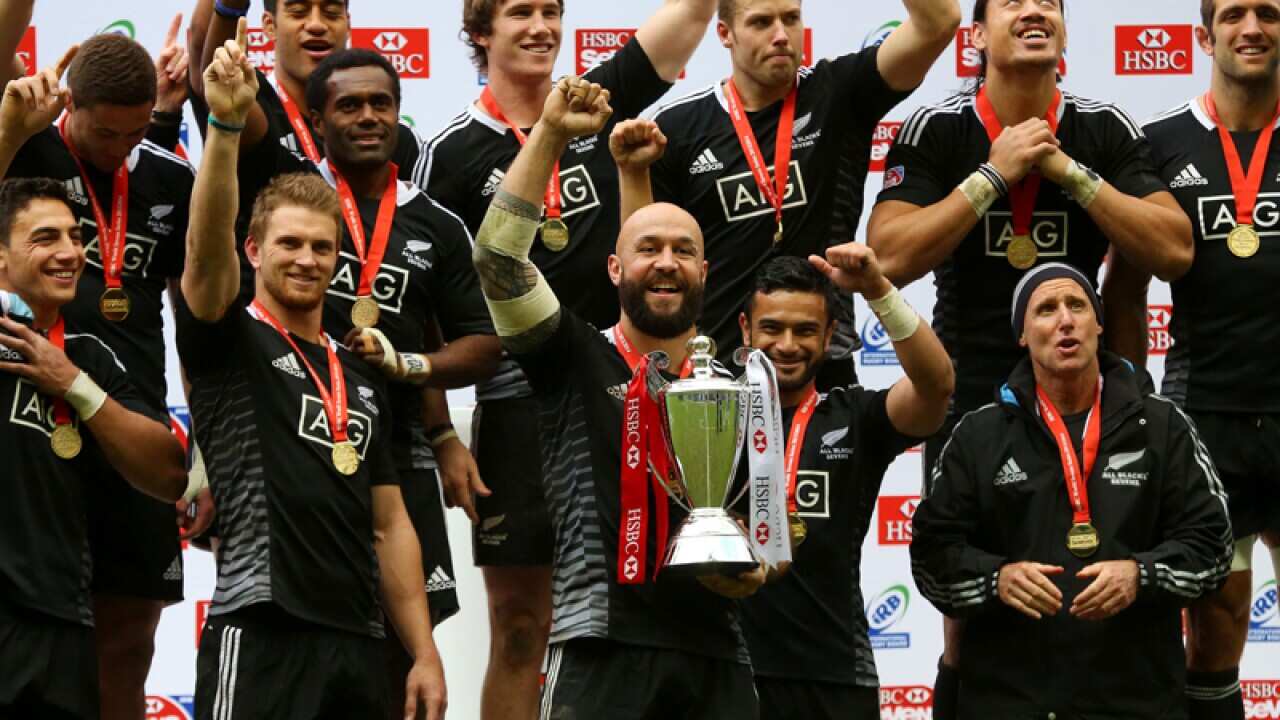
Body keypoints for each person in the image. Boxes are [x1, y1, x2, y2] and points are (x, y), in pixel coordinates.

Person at [867, 0, 1194, 712]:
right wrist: (992, 175)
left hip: (1085, 386)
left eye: (1050, 2)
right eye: (1014, 1)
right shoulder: (940, 126)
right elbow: (887, 255)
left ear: (1064, 32)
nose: (1036, 10)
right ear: (977, 35)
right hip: (971, 389)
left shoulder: (1102, 126)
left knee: (1100, 575)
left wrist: (1071, 173)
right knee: (970, 605)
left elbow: (1173, 248)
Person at [417, 2, 717, 716]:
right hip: (518, 401)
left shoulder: (597, 105)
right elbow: (424, 309)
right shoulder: (452, 150)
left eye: (552, 11)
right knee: (521, 627)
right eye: (520, 12)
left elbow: (687, 23)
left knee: (628, 616)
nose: (541, 27)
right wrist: (439, 433)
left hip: (618, 395)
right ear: (480, 33)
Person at [474, 75, 765, 719]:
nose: (665, 263)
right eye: (648, 250)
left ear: (705, 273)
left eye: (683, 251)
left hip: (716, 654)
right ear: (614, 270)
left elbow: (760, 534)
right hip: (600, 647)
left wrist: (747, 570)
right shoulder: (571, 356)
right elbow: (496, 258)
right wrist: (549, 132)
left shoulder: (733, 384)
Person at [180, 26, 445, 720]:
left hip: (358, 638)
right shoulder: (228, 339)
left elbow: (390, 524)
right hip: (260, 624)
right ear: (255, 250)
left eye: (321, 247)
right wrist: (226, 126)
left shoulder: (358, 367)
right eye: (288, 244)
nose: (306, 259)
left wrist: (422, 650)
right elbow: (205, 259)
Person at [910, 263, 1233, 720]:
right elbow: (930, 556)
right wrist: (995, 578)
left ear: (1098, 323)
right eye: (1045, 309)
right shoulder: (978, 435)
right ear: (1021, 334)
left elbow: (1214, 549)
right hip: (1009, 704)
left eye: (1077, 305)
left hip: (1136, 704)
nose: (1065, 320)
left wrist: (1140, 574)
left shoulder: (1162, 426)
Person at [0, 35, 201, 719]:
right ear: (71, 104)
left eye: (136, 129)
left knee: (127, 637)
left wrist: (200, 449)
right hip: (28, 393)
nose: (120, 146)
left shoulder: (171, 179)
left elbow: (197, 318)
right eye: (104, 131)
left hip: (127, 409)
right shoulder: (29, 150)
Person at [303, 46, 502, 715]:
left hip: (402, 452)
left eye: (380, 103)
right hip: (301, 447)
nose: (367, 117)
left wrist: (413, 370)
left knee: (405, 649)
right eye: (349, 105)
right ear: (318, 119)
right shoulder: (289, 208)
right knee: (302, 638)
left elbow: (483, 343)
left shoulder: (437, 224)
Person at [645, 0, 961, 378]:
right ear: (725, 34)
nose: (781, 35)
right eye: (761, 22)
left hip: (823, 368)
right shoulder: (679, 128)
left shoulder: (839, 93)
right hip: (718, 372)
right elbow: (646, 254)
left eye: (791, 19)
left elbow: (940, 23)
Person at [734, 253, 953, 719]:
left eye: (806, 331)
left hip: (834, 673)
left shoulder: (855, 417)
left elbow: (936, 387)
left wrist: (877, 289)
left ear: (830, 336)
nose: (787, 345)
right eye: (772, 328)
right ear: (745, 330)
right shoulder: (710, 417)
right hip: (728, 672)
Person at [1142, 2, 1280, 717]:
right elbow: (1125, 284)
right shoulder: (1161, 141)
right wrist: (1130, 396)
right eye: (1233, 14)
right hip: (1206, 419)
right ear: (1205, 34)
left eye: (1268, 12)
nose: (1251, 27)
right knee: (1216, 619)